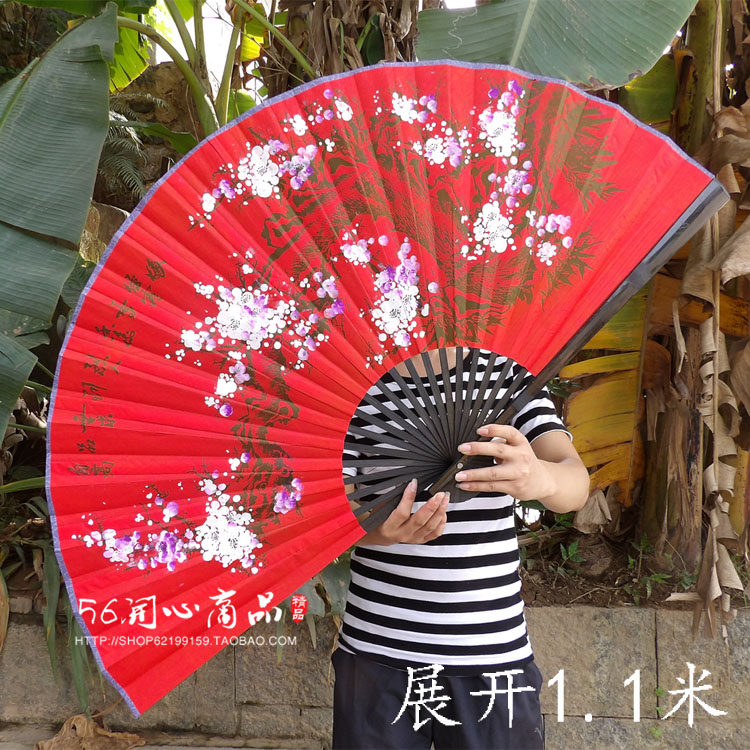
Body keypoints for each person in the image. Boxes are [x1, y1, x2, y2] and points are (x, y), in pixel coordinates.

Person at [333, 347, 590, 750]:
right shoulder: (353, 385)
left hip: (491, 654)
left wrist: (540, 479)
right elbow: (331, 517)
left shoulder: (506, 376)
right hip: (375, 654)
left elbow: (575, 483)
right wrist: (382, 532)